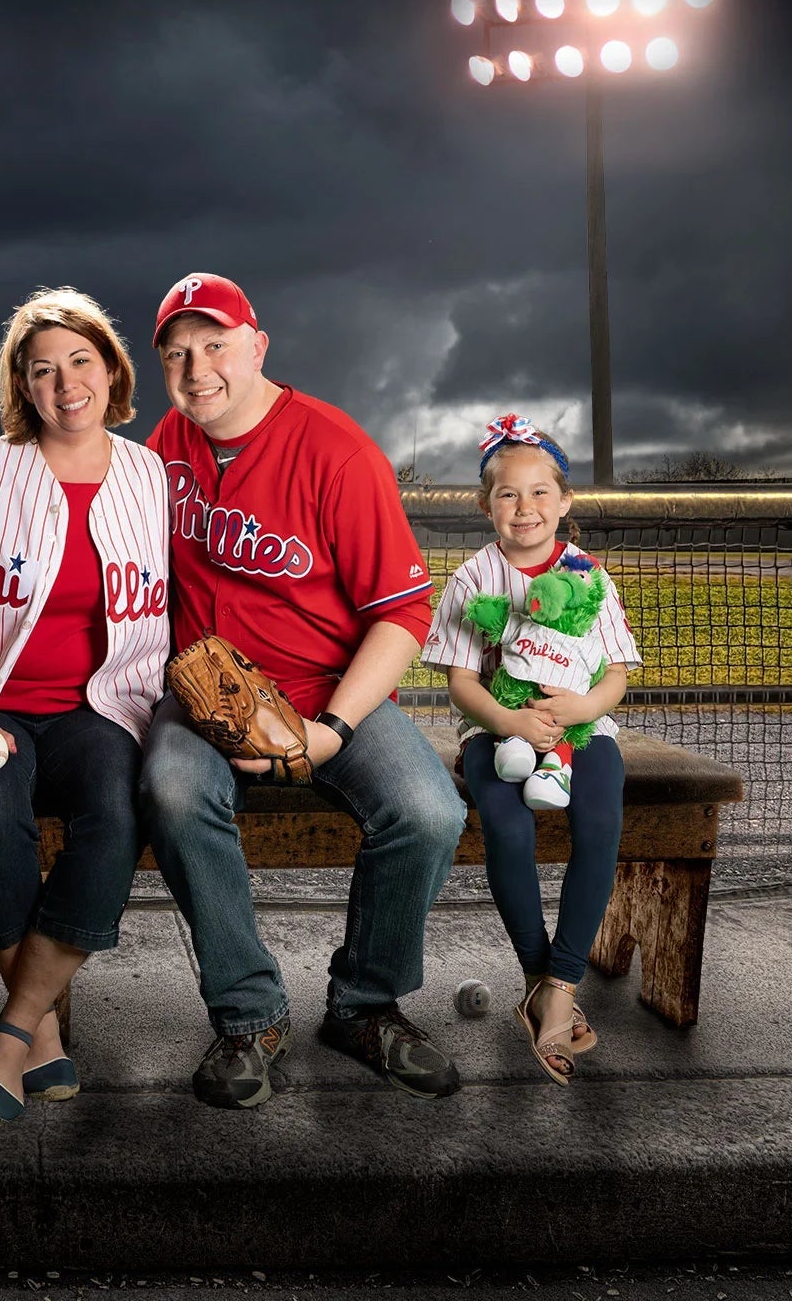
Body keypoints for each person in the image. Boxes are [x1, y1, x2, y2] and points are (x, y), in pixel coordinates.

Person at [137, 273, 469, 1108]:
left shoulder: (337, 448)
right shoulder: (163, 444)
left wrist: (331, 728)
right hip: (205, 693)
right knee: (173, 791)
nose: (197, 366)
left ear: (258, 345)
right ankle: (250, 1016)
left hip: (329, 683)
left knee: (429, 813)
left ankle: (365, 1005)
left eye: (215, 344)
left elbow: (401, 613)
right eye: (177, 352)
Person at [0, 287, 170, 1127]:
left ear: (112, 369)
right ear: (21, 385)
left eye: (80, 361)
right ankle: (44, 1026)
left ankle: (13, 1032)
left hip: (104, 709)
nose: (65, 384)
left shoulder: (150, 475)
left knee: (121, 812)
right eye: (41, 369)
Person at [420, 415, 641, 1085]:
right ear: (486, 505)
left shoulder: (588, 573)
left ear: (564, 501)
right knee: (508, 829)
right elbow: (461, 684)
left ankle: (563, 986)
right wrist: (510, 722)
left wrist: (581, 709)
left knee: (600, 822)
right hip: (497, 730)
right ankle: (534, 974)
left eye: (541, 492)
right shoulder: (473, 578)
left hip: (583, 729)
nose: (525, 508)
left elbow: (617, 674)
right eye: (508, 495)